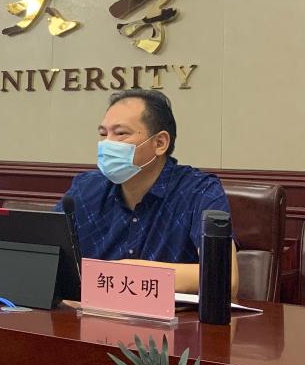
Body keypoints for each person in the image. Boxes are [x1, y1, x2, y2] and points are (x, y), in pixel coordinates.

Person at [61, 89, 238, 295]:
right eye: (103, 134)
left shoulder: (199, 191)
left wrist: (128, 272)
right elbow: (47, 253)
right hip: (88, 312)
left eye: (120, 133)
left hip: (170, 315)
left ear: (160, 143)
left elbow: (225, 277)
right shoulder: (86, 188)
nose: (107, 143)